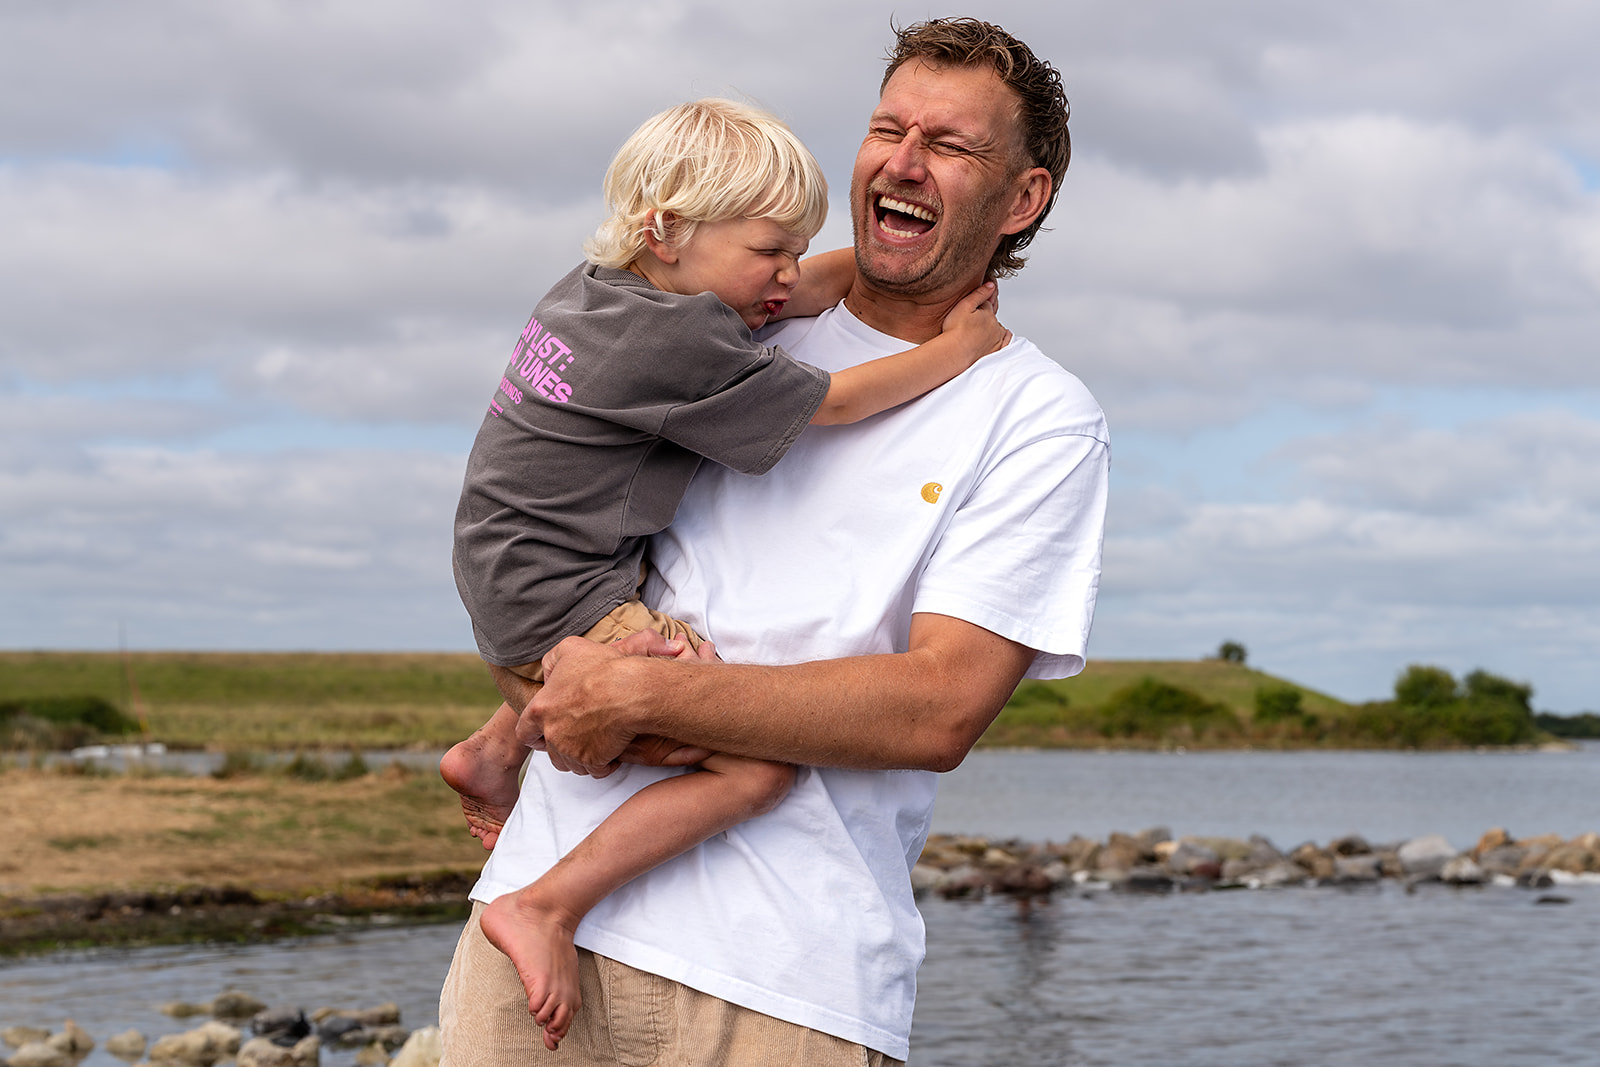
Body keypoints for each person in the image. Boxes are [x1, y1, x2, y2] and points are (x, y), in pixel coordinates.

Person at [439, 17, 1108, 1066]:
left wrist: (640, 695)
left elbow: (939, 708)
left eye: (950, 144)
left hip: (787, 981)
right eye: (889, 128)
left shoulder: (1038, 417)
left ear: (1023, 198)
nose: (903, 159)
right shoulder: (733, 315)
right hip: (530, 935)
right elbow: (606, 531)